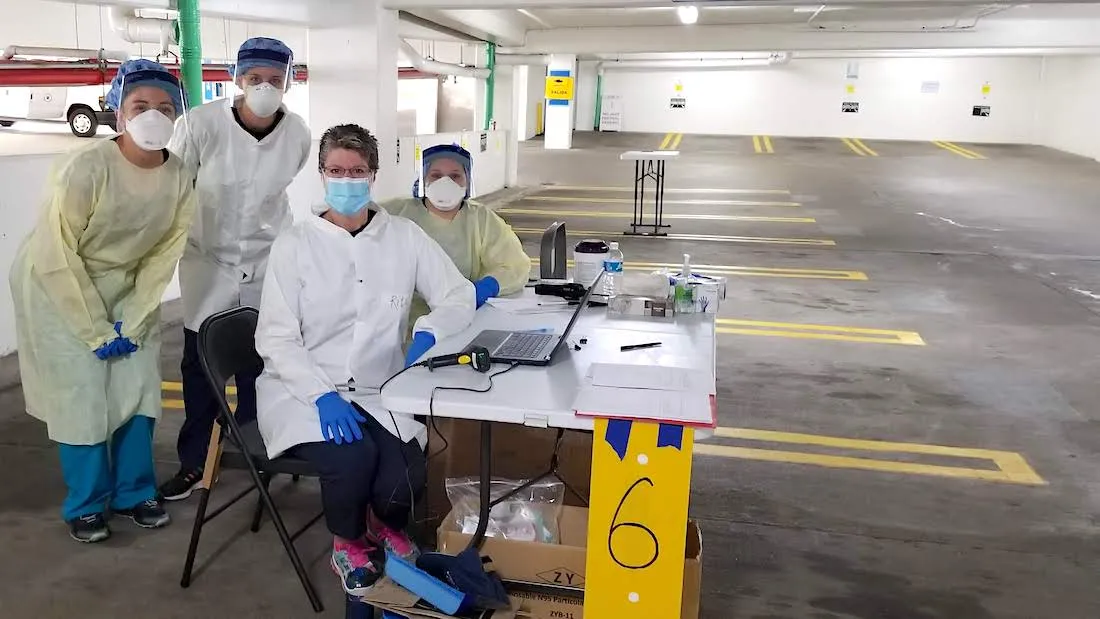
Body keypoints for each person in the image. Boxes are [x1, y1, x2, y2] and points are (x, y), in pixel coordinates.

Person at [255, 124, 475, 595]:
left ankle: (384, 525)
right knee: (353, 458)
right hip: (306, 389)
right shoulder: (296, 243)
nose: (347, 180)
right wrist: (319, 395)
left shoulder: (403, 237)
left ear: (373, 175)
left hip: (381, 386)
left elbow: (458, 294)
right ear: (321, 174)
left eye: (357, 171)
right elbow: (275, 335)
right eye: (336, 170)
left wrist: (428, 332)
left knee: (405, 473)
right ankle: (348, 541)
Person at [8, 59, 195, 543]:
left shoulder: (178, 176)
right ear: (117, 111)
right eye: (140, 105)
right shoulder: (85, 168)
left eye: (164, 107)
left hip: (129, 289)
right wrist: (92, 328)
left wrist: (132, 319)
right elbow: (56, 251)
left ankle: (135, 492)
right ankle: (87, 503)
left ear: (177, 115)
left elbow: (163, 254)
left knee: (137, 392)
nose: (152, 115)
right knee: (83, 398)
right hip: (59, 289)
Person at [161, 37, 311, 501]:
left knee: (262, 364)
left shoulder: (298, 133)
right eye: (254, 78)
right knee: (203, 365)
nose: (264, 87)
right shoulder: (200, 125)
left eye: (274, 79)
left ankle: (260, 449)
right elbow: (174, 187)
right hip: (209, 260)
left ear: (287, 81)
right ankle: (194, 463)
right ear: (236, 79)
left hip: (268, 261)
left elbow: (282, 190)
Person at [381, 144, 529, 317]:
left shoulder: (481, 219)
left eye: (455, 176)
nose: (445, 182)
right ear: (423, 179)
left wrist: (485, 287)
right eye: (435, 175)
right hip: (398, 324)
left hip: (458, 318)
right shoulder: (395, 213)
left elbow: (514, 265)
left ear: (468, 180)